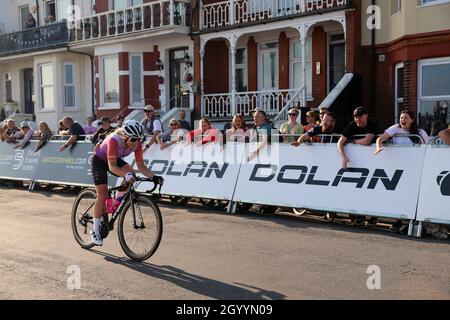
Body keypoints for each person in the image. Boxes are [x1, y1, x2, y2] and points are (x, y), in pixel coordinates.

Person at [90, 120, 163, 246]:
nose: (136, 143)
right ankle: (95, 229)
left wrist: (154, 176)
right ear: (125, 136)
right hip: (100, 161)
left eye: (139, 139)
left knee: (132, 174)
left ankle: (114, 203)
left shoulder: (137, 144)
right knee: (102, 195)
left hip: (114, 159)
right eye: (134, 140)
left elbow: (141, 166)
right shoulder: (113, 140)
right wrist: (125, 175)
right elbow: (112, 167)